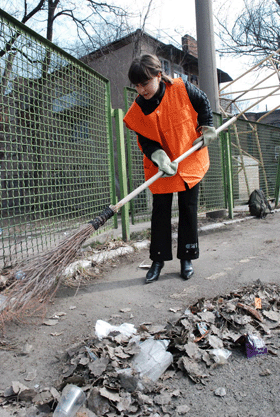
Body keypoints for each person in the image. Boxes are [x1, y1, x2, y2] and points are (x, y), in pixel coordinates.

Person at [123, 54, 217, 284]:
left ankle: (187, 256)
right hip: (161, 166)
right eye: (136, 85)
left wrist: (207, 128)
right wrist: (157, 155)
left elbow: (203, 102)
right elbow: (145, 139)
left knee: (188, 207)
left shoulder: (181, 88)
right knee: (160, 211)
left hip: (188, 158)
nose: (141, 89)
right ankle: (158, 260)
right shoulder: (138, 108)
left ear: (158, 75)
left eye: (144, 83)